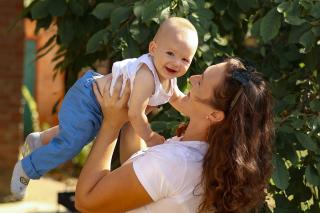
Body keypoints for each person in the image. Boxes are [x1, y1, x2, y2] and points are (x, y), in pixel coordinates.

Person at [10, 17, 199, 199]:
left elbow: (179, 100)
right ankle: (27, 168)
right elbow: (135, 113)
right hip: (89, 97)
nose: (176, 62)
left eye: (185, 59)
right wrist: (149, 137)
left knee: (78, 133)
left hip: (101, 105)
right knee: (72, 144)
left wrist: (198, 112)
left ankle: (39, 140)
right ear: (153, 48)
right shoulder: (146, 76)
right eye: (170, 53)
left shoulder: (170, 80)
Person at [75, 58, 274, 213]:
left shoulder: (175, 163)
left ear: (214, 115)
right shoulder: (204, 157)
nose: (191, 78)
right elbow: (137, 177)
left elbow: (86, 202)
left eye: (201, 81)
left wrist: (111, 124)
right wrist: (133, 117)